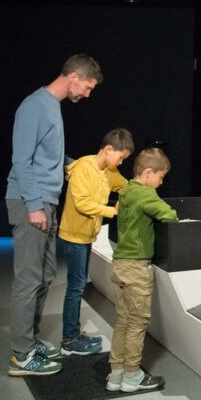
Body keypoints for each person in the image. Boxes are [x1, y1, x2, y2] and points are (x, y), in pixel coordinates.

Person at [7, 54, 102, 377]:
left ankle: (30, 342)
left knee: (45, 275)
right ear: (73, 76)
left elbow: (49, 155)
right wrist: (34, 205)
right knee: (29, 278)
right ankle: (21, 355)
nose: (86, 94)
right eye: (87, 87)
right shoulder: (35, 105)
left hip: (46, 201)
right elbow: (22, 160)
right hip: (29, 201)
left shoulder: (52, 107)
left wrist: (77, 165)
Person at [107, 147, 178, 392]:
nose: (160, 183)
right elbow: (168, 215)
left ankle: (115, 374)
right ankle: (132, 375)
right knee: (137, 323)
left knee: (123, 321)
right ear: (148, 173)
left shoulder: (125, 191)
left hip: (119, 264)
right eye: (160, 177)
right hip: (137, 268)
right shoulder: (146, 195)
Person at [57, 128, 133, 356]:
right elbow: (81, 203)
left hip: (87, 235)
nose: (120, 163)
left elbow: (126, 186)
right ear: (108, 150)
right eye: (120, 158)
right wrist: (112, 211)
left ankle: (72, 335)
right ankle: (69, 340)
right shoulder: (84, 168)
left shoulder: (109, 171)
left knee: (78, 284)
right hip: (74, 236)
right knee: (76, 287)